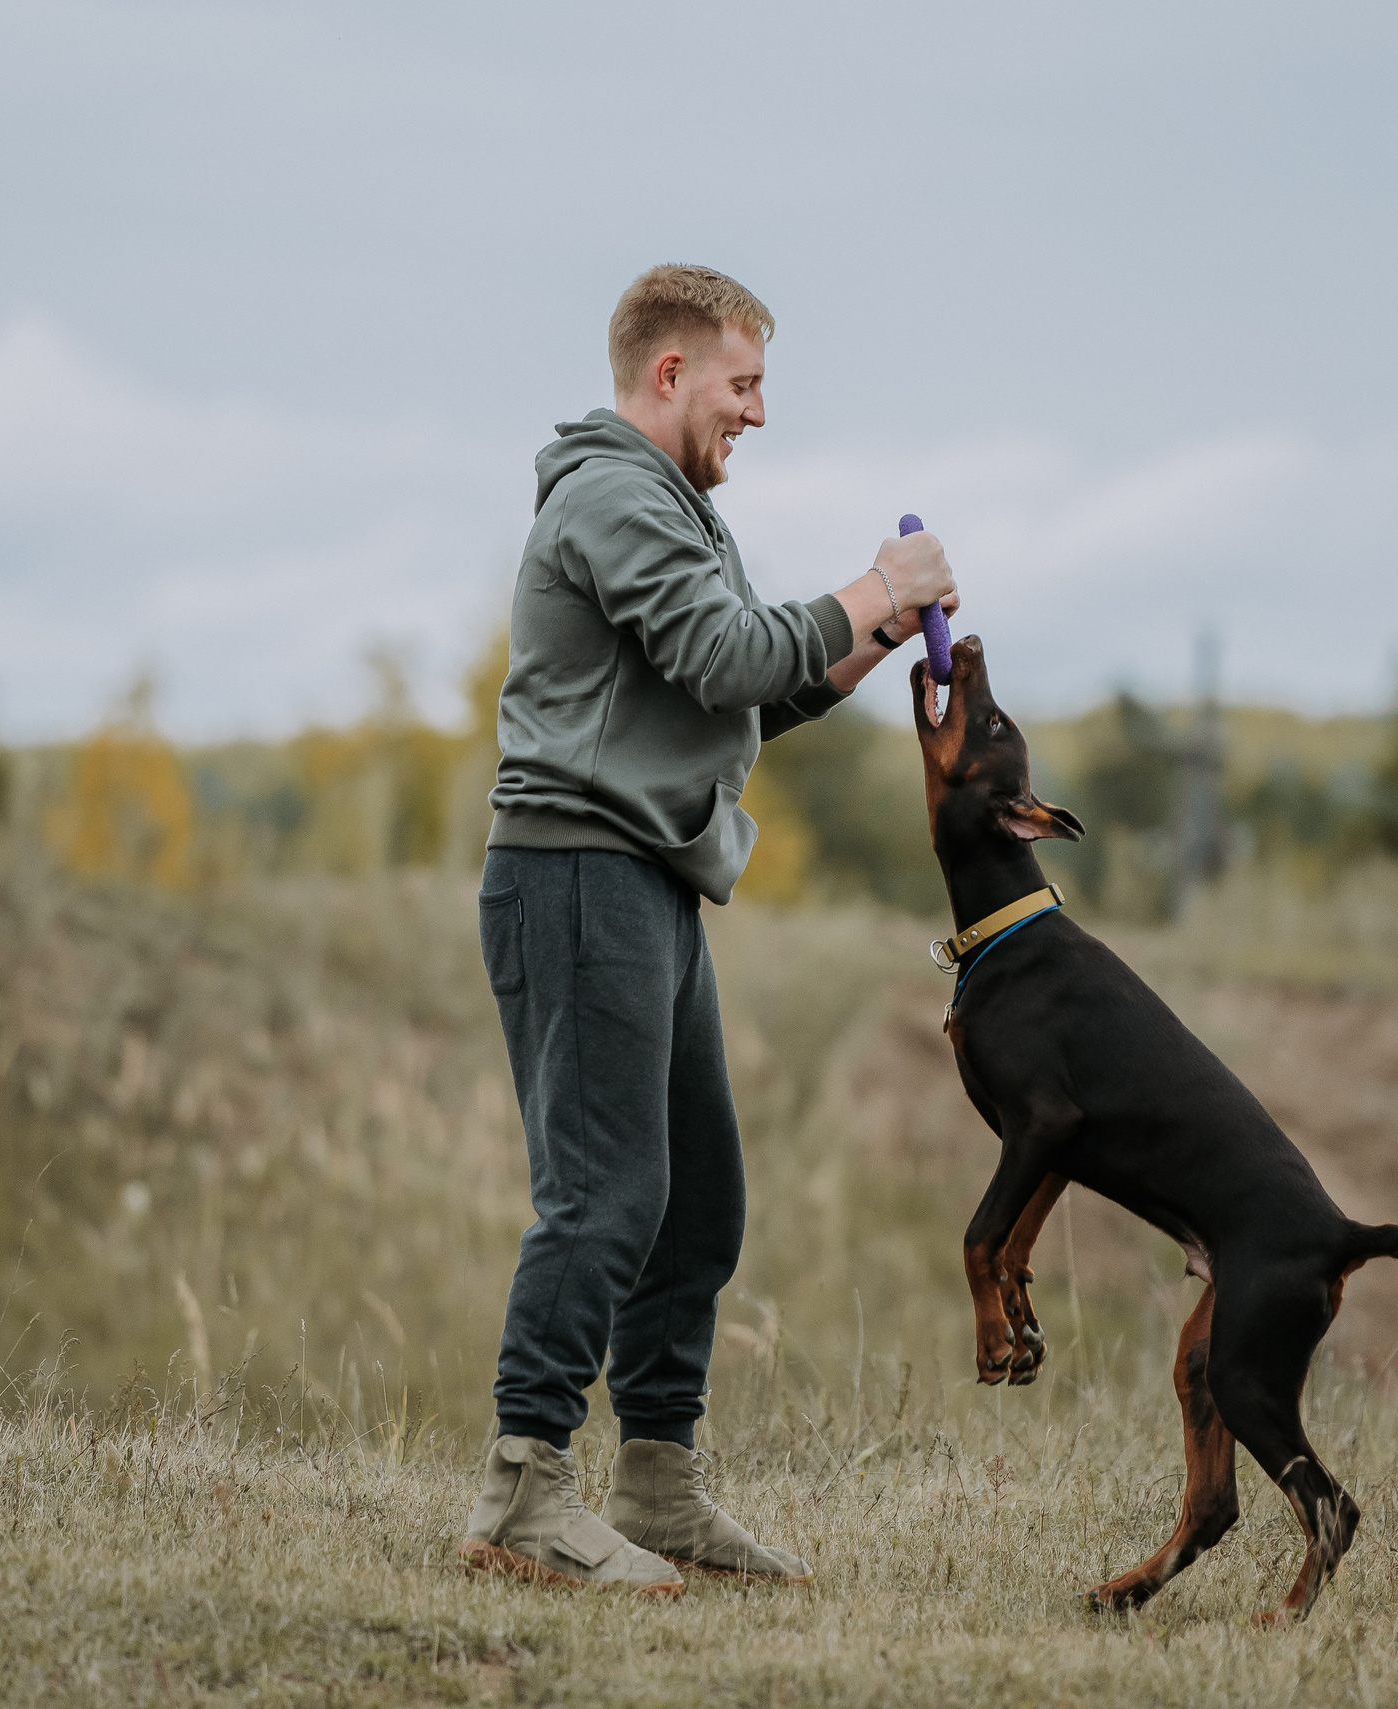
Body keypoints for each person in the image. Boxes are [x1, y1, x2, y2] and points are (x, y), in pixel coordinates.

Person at [459, 266, 957, 1594]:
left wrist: (862, 642)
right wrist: (869, 584)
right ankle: (521, 1489)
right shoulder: (618, 492)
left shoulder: (666, 506)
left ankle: (659, 1488)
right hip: (577, 877)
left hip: (648, 880)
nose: (757, 413)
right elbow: (733, 655)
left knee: (697, 1204)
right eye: (743, 385)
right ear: (670, 375)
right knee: (606, 1193)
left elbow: (729, 685)